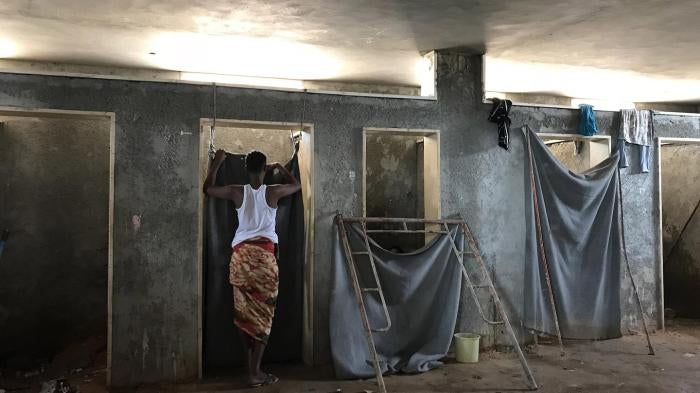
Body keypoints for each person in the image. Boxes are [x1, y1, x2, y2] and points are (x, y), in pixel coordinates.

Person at [203, 149, 300, 387]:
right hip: (265, 261)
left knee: (243, 315)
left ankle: (250, 370)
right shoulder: (274, 192)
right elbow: (296, 185)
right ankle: (255, 372)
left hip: (241, 259)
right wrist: (280, 167)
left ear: (246, 169)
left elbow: (208, 189)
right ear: (264, 168)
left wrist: (217, 163)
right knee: (264, 317)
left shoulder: (237, 191)